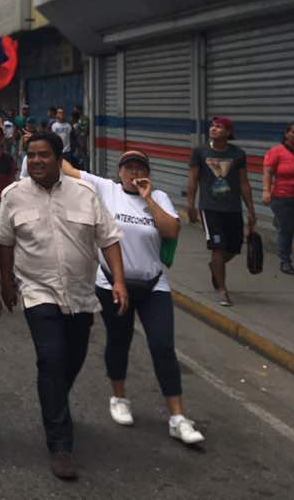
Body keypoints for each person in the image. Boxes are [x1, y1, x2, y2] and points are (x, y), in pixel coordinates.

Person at [0, 131, 128, 481]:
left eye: (44, 155)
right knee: (51, 358)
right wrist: (6, 283)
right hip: (38, 290)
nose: (36, 161)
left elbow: (109, 239)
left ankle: (54, 400)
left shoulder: (85, 194)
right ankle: (60, 445)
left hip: (82, 293)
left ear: (58, 158)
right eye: (31, 155)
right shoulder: (13, 195)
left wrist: (117, 280)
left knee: (73, 358)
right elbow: (5, 243)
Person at [60, 150, 204, 444]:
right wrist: (43, 139)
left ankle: (177, 416)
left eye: (139, 167)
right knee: (119, 341)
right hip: (112, 283)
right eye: (129, 167)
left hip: (154, 285)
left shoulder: (159, 197)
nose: (134, 172)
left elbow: (172, 230)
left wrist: (148, 199)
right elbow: (68, 170)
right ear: (120, 170)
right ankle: (119, 396)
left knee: (163, 346)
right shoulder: (106, 189)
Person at [186, 116, 256, 307]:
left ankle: (215, 266)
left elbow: (244, 183)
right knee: (217, 247)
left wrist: (250, 209)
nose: (214, 129)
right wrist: (190, 204)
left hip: (233, 208)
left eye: (219, 127)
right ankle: (222, 290)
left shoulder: (238, 154)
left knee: (233, 248)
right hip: (210, 208)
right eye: (213, 126)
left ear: (228, 132)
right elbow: (193, 179)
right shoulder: (200, 152)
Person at [262, 121, 294, 275]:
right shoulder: (277, 151)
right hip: (284, 198)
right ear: (286, 134)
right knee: (287, 230)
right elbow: (268, 172)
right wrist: (266, 191)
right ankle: (285, 261)